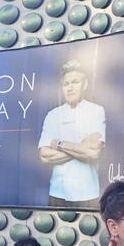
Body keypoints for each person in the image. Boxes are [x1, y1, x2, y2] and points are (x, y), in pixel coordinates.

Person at [39, 60, 105, 210]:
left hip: (87, 193)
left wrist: (59, 144)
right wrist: (81, 148)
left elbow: (93, 152)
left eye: (75, 82)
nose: (70, 88)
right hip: (57, 193)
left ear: (85, 84)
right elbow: (44, 155)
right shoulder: (52, 115)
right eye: (66, 84)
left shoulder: (96, 111)